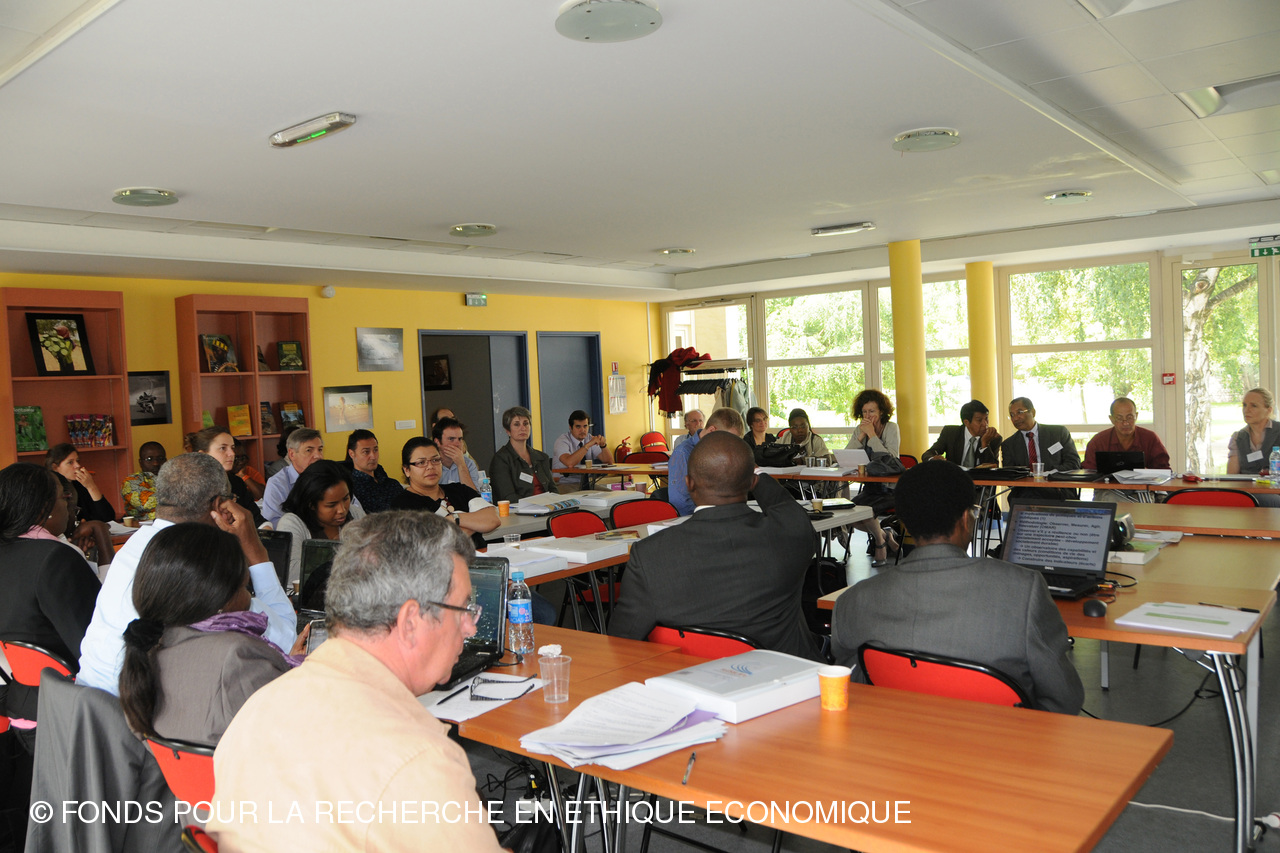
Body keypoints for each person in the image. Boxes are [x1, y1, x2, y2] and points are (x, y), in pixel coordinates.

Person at [207, 512, 506, 852]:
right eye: (464, 608)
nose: (470, 627)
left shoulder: (258, 708)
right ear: (410, 621)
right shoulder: (418, 759)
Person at [830, 461, 1084, 715]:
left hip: (898, 733)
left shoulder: (854, 601)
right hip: (996, 736)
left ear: (905, 522)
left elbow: (852, 687)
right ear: (965, 518)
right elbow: (1064, 699)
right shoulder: (1024, 590)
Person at [77, 453, 296, 695]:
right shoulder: (197, 560)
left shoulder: (136, 543)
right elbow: (286, 640)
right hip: (141, 709)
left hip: (92, 701)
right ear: (219, 506)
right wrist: (256, 553)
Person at [610, 432, 823, 661]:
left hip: (690, 677)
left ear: (689, 484)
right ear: (752, 483)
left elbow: (622, 641)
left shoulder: (649, 556)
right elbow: (785, 506)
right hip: (790, 675)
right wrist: (758, 475)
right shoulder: (790, 532)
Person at [117, 524, 304, 746]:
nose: (248, 598)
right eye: (245, 588)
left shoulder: (148, 647)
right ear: (219, 600)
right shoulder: (239, 656)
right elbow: (294, 735)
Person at [0, 463, 101, 725]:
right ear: (45, 508)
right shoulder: (55, 558)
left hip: (21, 706)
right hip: (67, 711)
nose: (68, 506)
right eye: (64, 498)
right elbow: (94, 643)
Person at [392, 438, 499, 548]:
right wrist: (476, 524)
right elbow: (434, 544)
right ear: (407, 470)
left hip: (482, 555)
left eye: (435, 460)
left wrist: (454, 518)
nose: (430, 467)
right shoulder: (402, 505)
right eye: (421, 462)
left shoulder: (459, 490)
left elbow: (493, 519)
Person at [277, 460, 363, 588]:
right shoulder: (292, 523)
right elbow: (293, 573)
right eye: (331, 505)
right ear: (311, 504)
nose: (342, 510)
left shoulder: (355, 514)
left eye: (346, 499)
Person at [846, 389, 901, 566]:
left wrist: (872, 435)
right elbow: (846, 456)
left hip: (890, 489)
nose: (868, 416)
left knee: (866, 510)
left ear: (881, 412)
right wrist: (861, 435)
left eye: (872, 411)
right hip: (870, 487)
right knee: (849, 514)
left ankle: (879, 544)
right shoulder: (859, 429)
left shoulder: (891, 428)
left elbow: (890, 459)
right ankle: (884, 535)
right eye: (864, 412)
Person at [668, 407, 745, 516]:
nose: (729, 446)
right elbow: (681, 503)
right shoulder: (683, 453)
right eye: (727, 440)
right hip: (696, 519)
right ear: (712, 430)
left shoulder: (718, 450)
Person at [1002, 397, 1081, 501]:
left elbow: (1073, 463)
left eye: (1019, 412)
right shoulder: (1009, 444)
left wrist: (1048, 474)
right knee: (1026, 496)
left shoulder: (1058, 433)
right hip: (1026, 491)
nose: (1015, 418)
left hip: (1057, 487)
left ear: (1033, 412)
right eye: (1012, 415)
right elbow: (1009, 475)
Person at [190, 427, 265, 527]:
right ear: (203, 455)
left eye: (232, 448)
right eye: (223, 448)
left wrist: (266, 528)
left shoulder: (236, 482)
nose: (232, 453)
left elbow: (257, 519)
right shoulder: (190, 487)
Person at [1227, 388, 1280, 507]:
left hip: (1275, 492)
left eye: (1254, 406)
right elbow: (1231, 476)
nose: (1247, 410)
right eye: (1244, 405)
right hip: (1248, 492)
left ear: (1268, 410)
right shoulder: (1238, 437)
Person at [490, 406, 556, 501]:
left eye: (526, 424)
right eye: (517, 424)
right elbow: (507, 496)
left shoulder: (542, 457)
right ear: (508, 431)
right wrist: (534, 505)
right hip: (520, 508)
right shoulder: (501, 459)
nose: (523, 428)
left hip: (547, 505)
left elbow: (553, 490)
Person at [262, 427, 326, 526]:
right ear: (292, 454)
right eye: (309, 450)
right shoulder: (277, 484)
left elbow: (349, 510)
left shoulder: (329, 476)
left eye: (320, 449)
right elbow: (274, 523)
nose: (318, 456)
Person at [46, 443, 115, 522]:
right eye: (70, 462)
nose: (78, 465)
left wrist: (91, 486)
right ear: (55, 467)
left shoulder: (79, 485)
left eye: (77, 461)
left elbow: (108, 518)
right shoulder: (49, 489)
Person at [922, 400, 1002, 466]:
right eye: (979, 420)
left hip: (980, 480)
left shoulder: (993, 438)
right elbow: (929, 453)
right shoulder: (950, 433)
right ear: (966, 422)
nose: (985, 424)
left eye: (986, 418)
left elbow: (993, 469)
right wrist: (933, 459)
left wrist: (985, 444)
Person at [343, 429, 404, 512]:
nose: (373, 456)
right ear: (352, 454)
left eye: (375, 450)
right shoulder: (352, 490)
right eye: (366, 452)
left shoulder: (391, 483)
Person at [553, 409, 613, 490]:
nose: (582, 430)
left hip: (588, 483)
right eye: (578, 427)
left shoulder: (589, 438)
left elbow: (609, 462)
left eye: (585, 426)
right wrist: (587, 446)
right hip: (565, 483)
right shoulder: (562, 441)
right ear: (570, 427)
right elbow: (569, 463)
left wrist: (603, 445)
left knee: (610, 494)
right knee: (579, 496)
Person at [120, 441, 166, 521]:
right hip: (143, 526)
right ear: (140, 462)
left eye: (160, 458)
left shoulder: (174, 478)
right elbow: (148, 503)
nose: (155, 463)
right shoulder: (131, 481)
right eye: (149, 459)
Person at [432, 417, 480, 490]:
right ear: (437, 442)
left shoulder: (469, 464)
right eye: (451, 439)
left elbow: (473, 495)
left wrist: (461, 465)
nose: (457, 444)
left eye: (460, 439)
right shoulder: (430, 465)